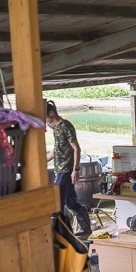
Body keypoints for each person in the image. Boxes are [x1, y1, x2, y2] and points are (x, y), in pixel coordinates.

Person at [45, 100, 91, 236]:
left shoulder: (66, 126)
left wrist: (75, 170)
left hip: (66, 170)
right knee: (71, 202)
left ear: (51, 113)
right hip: (59, 169)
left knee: (57, 203)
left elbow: (76, 148)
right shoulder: (56, 128)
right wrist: (42, 162)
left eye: (45, 117)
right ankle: (86, 228)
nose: (45, 120)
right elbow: (56, 150)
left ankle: (59, 234)